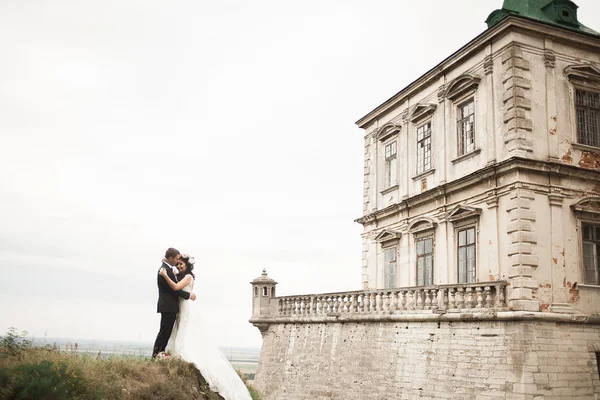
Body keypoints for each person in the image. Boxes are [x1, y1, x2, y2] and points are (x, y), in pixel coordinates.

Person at [159, 254, 252, 400]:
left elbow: (176, 287)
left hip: (186, 307)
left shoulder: (188, 276)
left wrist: (165, 275)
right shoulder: (181, 274)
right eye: (177, 264)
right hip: (182, 306)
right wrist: (167, 262)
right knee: (181, 330)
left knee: (186, 331)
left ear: (188, 265)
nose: (179, 266)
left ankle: (185, 353)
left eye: (181, 264)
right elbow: (168, 263)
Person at [152, 247, 196, 358]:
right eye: (177, 260)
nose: (178, 263)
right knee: (165, 331)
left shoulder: (171, 270)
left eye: (180, 262)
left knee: (169, 331)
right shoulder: (164, 271)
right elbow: (174, 289)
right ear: (171, 259)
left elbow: (175, 287)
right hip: (168, 306)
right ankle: (157, 353)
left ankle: (160, 352)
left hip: (174, 306)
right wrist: (188, 295)